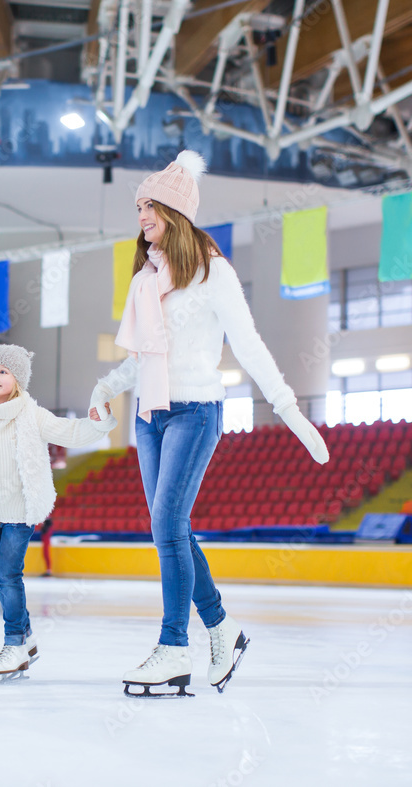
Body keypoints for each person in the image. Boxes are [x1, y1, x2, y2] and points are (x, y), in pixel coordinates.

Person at [89, 150, 330, 697]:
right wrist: (105, 388)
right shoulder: (146, 279)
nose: (140, 215)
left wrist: (289, 409)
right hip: (150, 416)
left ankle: (174, 648)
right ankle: (222, 628)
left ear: (174, 211)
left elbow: (248, 345)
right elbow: (143, 357)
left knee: (168, 526)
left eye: (148, 205)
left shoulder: (212, 272)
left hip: (196, 412)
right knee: (170, 530)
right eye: (137, 206)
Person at [0, 344, 117, 680]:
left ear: (18, 381)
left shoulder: (31, 414)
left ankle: (13, 642)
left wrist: (99, 424)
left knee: (9, 576)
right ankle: (27, 637)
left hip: (20, 512)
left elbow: (69, 432)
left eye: (3, 371)